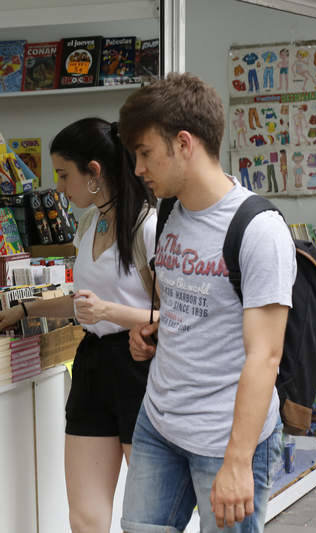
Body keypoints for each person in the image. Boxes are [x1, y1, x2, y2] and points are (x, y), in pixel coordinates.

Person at [119, 73, 296, 532]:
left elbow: (266, 354)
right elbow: (188, 304)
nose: (138, 168)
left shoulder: (258, 229)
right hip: (158, 422)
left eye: (144, 153)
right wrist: (156, 332)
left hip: (225, 438)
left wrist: (238, 462)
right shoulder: (168, 212)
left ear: (183, 144)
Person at [0, 118, 157, 533]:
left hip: (142, 367)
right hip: (93, 365)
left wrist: (109, 313)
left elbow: (175, 317)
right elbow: (85, 304)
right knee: (84, 517)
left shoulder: (148, 227)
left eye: (65, 175)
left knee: (151, 518)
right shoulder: (89, 224)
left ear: (94, 172)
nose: (60, 188)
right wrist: (27, 310)